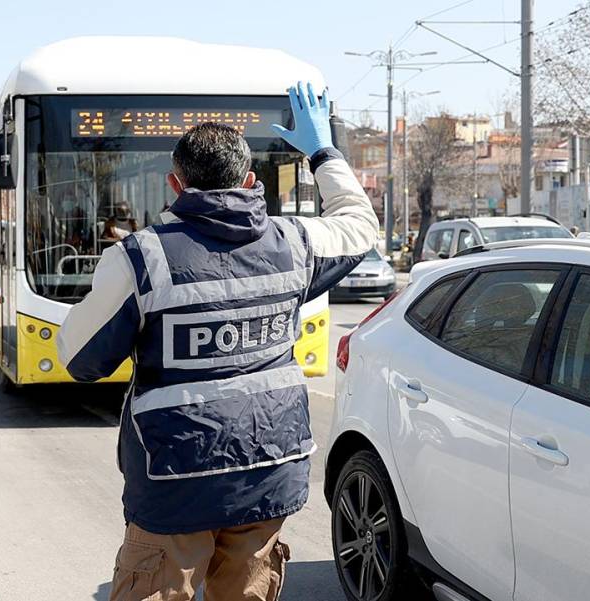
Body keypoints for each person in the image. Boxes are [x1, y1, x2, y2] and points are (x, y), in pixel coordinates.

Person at [56, 82, 377, 601]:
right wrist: (323, 153)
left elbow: (79, 358)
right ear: (250, 180)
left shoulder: (142, 259)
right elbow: (360, 226)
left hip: (174, 479)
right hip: (267, 471)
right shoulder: (296, 244)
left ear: (174, 184)